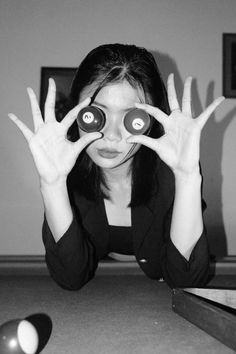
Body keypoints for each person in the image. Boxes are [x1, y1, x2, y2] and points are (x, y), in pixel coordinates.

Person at [8, 43, 224, 290]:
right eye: (96, 114)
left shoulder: (168, 175)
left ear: (151, 120)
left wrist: (187, 177)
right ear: (77, 112)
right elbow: (70, 278)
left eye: (131, 118)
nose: (111, 135)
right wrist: (52, 184)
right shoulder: (66, 173)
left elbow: (187, 282)